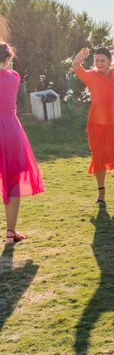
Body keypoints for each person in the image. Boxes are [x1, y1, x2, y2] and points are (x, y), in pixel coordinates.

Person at [72, 31, 114, 203]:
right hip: (97, 124)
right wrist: (80, 56)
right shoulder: (91, 76)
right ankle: (101, 192)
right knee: (99, 158)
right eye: (97, 61)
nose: (99, 63)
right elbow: (77, 67)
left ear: (109, 61)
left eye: (102, 60)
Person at [0, 41, 45, 244]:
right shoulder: (15, 77)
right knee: (13, 181)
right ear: (8, 59)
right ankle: (10, 232)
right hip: (12, 131)